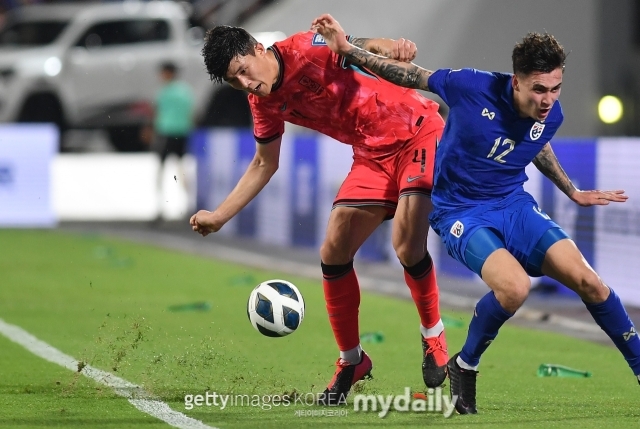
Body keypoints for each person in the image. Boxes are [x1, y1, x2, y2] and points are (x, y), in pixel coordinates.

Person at [312, 13, 640, 414]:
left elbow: (537, 143)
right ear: (516, 80)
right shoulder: (471, 86)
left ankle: (463, 364)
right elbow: (410, 74)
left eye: (555, 88)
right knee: (514, 288)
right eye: (539, 89)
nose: (548, 99)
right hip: (459, 210)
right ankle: (466, 366)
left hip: (514, 205)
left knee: (592, 284)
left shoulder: (550, 113)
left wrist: (572, 191)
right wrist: (349, 50)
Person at [189, 25, 450, 405]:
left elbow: (355, 46)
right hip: (370, 155)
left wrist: (390, 47)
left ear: (258, 49)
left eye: (244, 70)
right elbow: (265, 163)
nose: (247, 84)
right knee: (333, 250)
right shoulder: (261, 102)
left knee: (407, 245)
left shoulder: (303, 49)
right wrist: (219, 216)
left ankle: (434, 336)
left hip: (417, 131)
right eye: (235, 81)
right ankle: (351, 361)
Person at [144, 61, 195, 220]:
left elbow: (156, 113)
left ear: (168, 73)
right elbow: (191, 113)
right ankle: (188, 206)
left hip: (166, 133)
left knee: (161, 170)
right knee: (181, 169)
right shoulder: (186, 91)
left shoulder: (163, 92)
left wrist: (150, 129)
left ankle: (160, 207)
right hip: (183, 132)